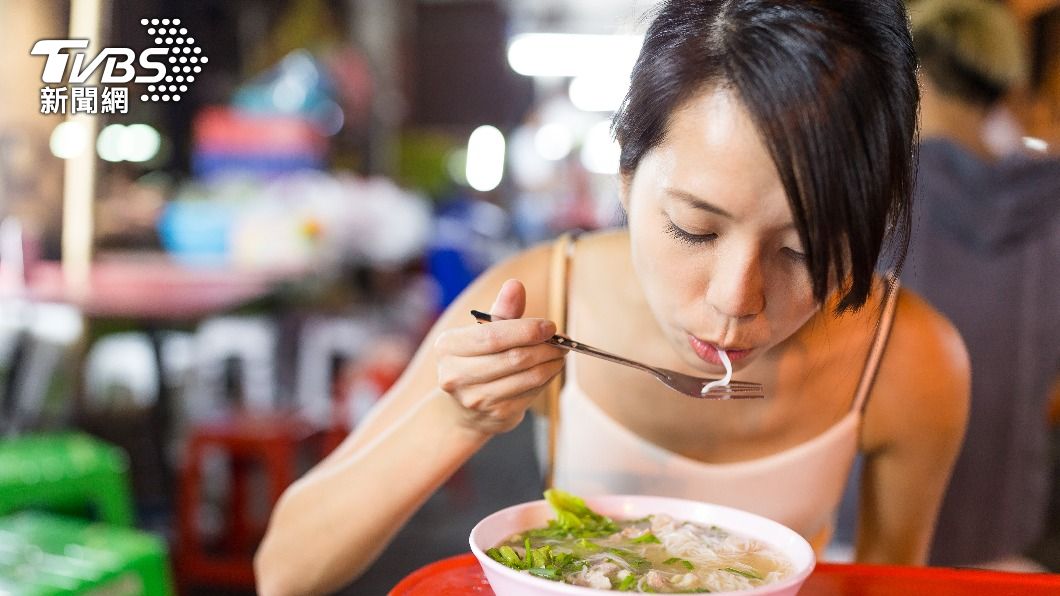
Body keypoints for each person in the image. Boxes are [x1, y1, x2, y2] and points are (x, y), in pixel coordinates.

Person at [255, 1, 971, 593]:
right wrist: (456, 420)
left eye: (803, 251)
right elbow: (283, 571)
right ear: (627, 177)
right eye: (694, 228)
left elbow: (889, 580)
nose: (735, 300)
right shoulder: (544, 297)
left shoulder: (907, 360)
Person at [902, 0, 1060, 570]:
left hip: (873, 526)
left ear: (913, 74)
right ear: (1004, 84)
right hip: (1007, 533)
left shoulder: (875, 197)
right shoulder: (1052, 206)